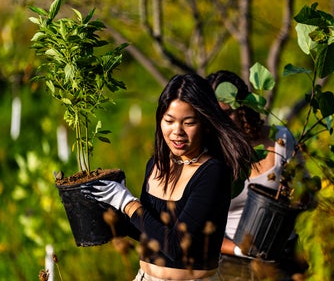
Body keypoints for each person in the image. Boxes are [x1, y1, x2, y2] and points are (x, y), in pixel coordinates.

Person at [82, 73, 257, 281]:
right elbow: (152, 236)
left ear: (206, 124)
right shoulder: (156, 164)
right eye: (169, 120)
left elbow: (176, 246)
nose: (177, 132)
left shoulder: (212, 172)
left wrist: (127, 203)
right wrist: (110, 211)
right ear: (160, 120)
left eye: (189, 123)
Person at [207, 70, 308, 281]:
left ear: (244, 108)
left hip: (284, 256)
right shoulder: (210, 155)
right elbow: (198, 228)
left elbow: (308, 194)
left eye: (227, 113)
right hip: (232, 262)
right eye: (215, 115)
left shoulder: (280, 139)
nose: (221, 123)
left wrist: (295, 192)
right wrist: (237, 249)